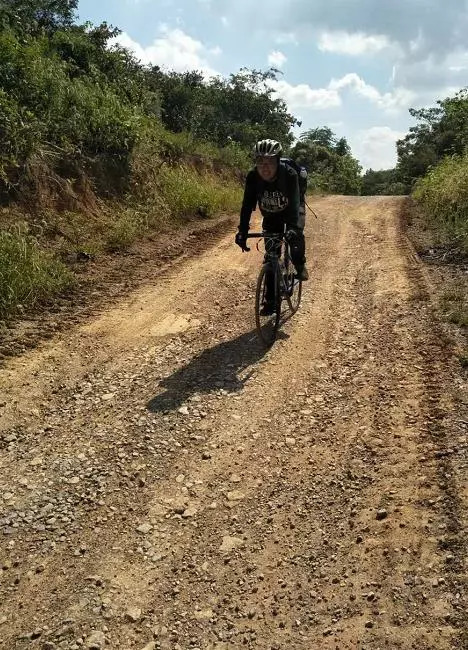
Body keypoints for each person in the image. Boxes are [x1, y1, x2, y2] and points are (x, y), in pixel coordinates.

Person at [235, 139, 309, 315]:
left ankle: (300, 265)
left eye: (269, 162)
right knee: (271, 257)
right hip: (271, 215)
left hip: (292, 209)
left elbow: (295, 204)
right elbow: (247, 206)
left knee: (296, 238)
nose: (264, 167)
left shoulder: (289, 174)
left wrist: (293, 228)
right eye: (260, 161)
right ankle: (270, 301)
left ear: (278, 161)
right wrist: (242, 231)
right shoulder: (253, 177)